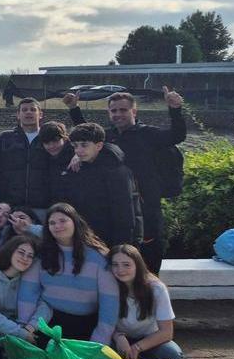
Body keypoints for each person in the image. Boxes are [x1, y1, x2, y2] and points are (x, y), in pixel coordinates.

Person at [66, 88, 186, 273]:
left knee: (149, 261)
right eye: (114, 110)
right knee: (119, 261)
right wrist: (74, 109)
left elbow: (177, 136)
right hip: (119, 210)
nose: (118, 114)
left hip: (147, 209)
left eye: (123, 110)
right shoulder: (107, 137)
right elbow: (87, 135)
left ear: (134, 112)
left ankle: (151, 297)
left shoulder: (149, 135)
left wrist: (175, 109)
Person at [17, 202, 119, 344]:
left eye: (63, 221)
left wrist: (100, 340)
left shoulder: (99, 256)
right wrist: (23, 329)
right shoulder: (42, 254)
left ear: (75, 222)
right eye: (52, 223)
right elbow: (28, 292)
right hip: (48, 323)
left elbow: (110, 302)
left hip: (87, 326)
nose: (57, 226)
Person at [52, 123, 142, 247]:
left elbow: (125, 214)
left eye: (84, 145)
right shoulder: (78, 168)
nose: (78, 150)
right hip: (84, 238)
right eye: (75, 146)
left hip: (110, 240)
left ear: (99, 146)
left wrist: (121, 247)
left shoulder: (117, 172)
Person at [110, 244, 182, 359]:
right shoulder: (108, 286)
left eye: (126, 265)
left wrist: (137, 347)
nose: (120, 270)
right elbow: (99, 320)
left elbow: (166, 331)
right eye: (115, 265)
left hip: (149, 339)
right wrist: (118, 337)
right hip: (118, 338)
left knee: (172, 355)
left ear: (137, 265)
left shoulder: (156, 288)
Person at [0, 97, 50, 216]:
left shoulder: (50, 138)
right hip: (10, 206)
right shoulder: (5, 138)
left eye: (32, 109)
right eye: (24, 110)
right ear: (18, 115)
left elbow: (71, 149)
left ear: (40, 114)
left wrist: (76, 157)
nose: (28, 112)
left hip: (42, 206)